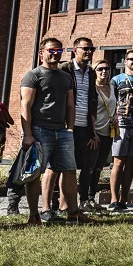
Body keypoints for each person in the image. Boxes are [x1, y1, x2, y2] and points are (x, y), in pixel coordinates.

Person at [20, 38, 90, 225]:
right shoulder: (33, 75)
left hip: (62, 131)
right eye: (51, 50)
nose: (55, 53)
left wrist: (70, 129)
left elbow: (70, 104)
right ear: (41, 53)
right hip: (39, 130)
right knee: (35, 173)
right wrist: (28, 133)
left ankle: (73, 213)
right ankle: (34, 215)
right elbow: (25, 104)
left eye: (58, 50)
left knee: (69, 170)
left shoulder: (66, 77)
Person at [56, 37, 98, 216]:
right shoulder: (64, 69)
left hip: (84, 125)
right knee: (61, 165)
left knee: (77, 166)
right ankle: (58, 204)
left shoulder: (91, 72)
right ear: (75, 50)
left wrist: (93, 131)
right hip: (66, 124)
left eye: (91, 49)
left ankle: (73, 204)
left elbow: (92, 102)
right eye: (85, 49)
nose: (88, 52)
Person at [108, 50, 133, 212]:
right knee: (118, 162)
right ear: (125, 61)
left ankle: (124, 199)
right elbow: (111, 101)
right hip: (121, 125)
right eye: (131, 59)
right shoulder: (116, 80)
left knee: (131, 164)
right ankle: (114, 199)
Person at [84, 60, 116, 212]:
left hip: (108, 133)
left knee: (98, 168)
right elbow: (89, 112)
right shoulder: (92, 89)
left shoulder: (111, 87)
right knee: (89, 167)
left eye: (107, 68)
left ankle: (92, 198)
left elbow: (114, 105)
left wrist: (116, 116)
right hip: (95, 133)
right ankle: (84, 200)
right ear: (95, 71)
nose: (104, 72)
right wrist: (92, 133)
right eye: (100, 69)